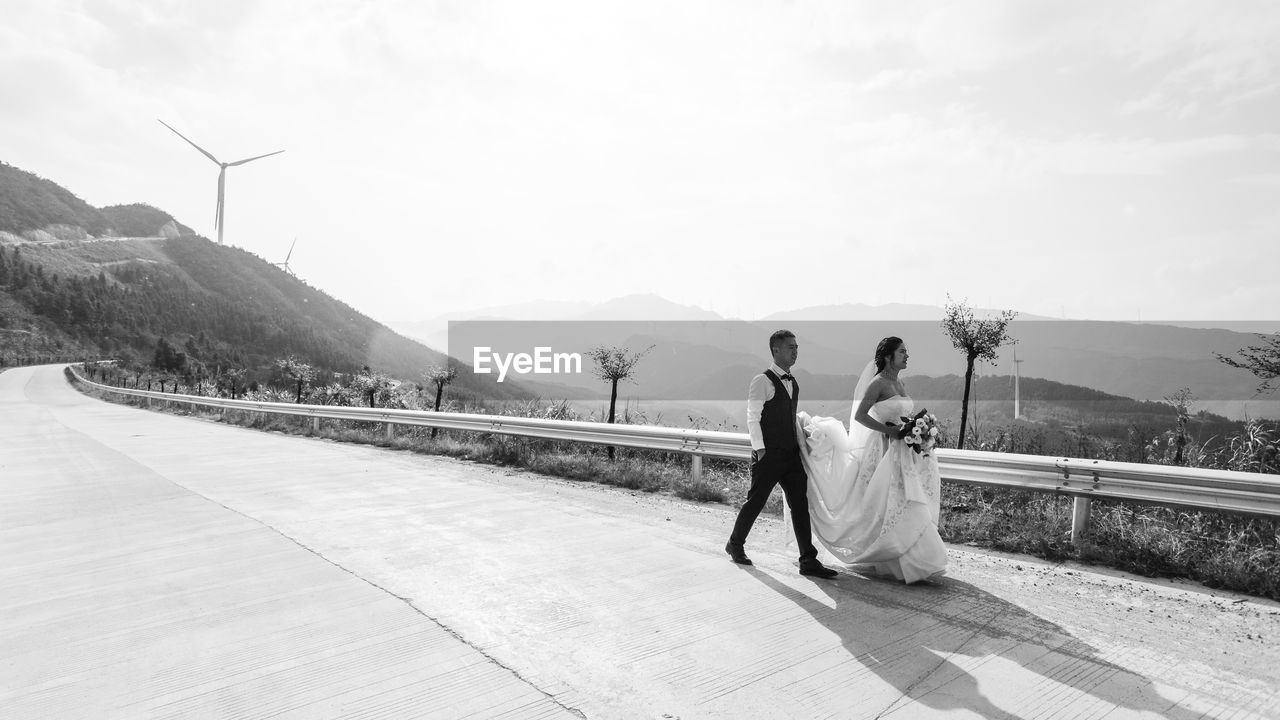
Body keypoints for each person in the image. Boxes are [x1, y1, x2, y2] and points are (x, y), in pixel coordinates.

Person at [796, 336, 947, 583]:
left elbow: (903, 416)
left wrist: (918, 429)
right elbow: (859, 416)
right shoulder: (877, 383)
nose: (907, 356)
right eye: (902, 352)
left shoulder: (899, 382)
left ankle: (911, 557)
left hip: (903, 450)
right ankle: (907, 558)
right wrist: (889, 431)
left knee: (903, 500)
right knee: (890, 501)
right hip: (884, 449)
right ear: (888, 356)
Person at [726, 330, 838, 579]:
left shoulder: (793, 381)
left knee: (800, 503)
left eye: (797, 347)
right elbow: (752, 418)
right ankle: (735, 543)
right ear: (775, 350)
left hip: (791, 455)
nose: (795, 351)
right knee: (756, 501)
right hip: (769, 455)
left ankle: (808, 559)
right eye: (790, 347)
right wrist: (761, 450)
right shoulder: (761, 381)